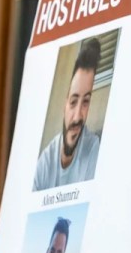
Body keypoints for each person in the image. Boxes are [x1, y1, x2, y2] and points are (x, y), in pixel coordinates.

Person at [33, 38, 102, 190]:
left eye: (85, 102)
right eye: (73, 102)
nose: (78, 116)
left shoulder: (93, 148)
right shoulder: (45, 162)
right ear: (64, 105)